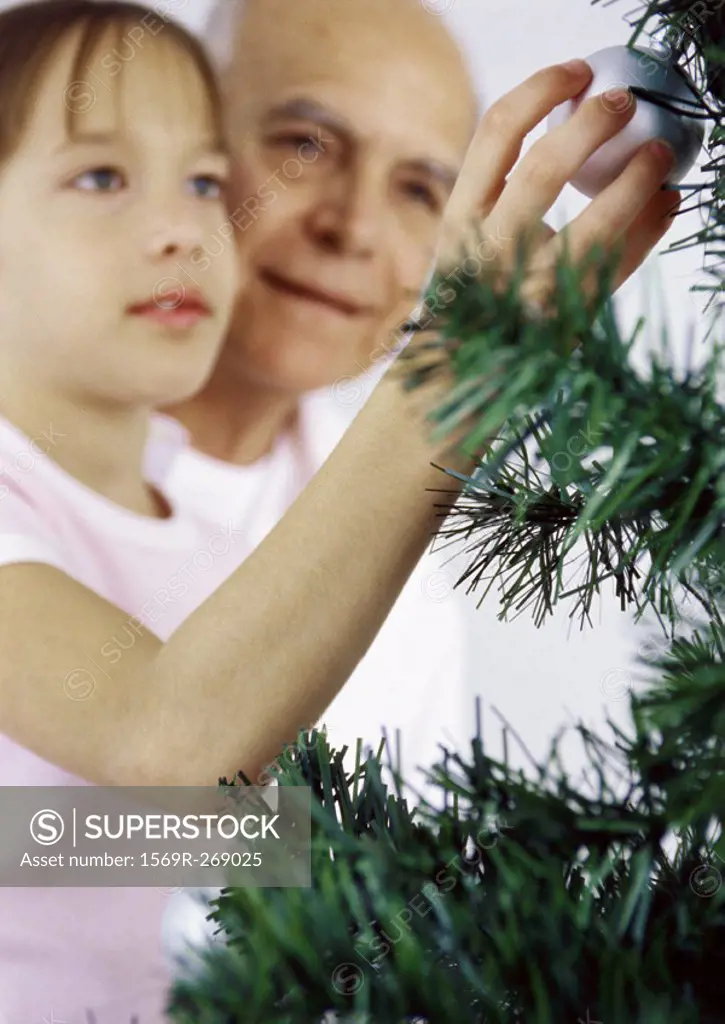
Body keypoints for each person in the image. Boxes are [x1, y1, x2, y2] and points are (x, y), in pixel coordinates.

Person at [0, 0, 679, 1020]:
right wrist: (456, 379)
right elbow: (171, 754)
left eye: (419, 186)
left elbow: (351, 894)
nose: (352, 226)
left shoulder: (382, 549)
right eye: (300, 145)